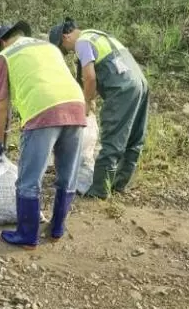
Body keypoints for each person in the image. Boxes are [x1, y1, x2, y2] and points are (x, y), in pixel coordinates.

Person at [0, 21, 87, 249]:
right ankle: (56, 229)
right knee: (67, 174)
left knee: (29, 179)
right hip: (75, 106)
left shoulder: (4, 57)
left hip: (42, 110)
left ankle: (27, 235)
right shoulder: (50, 48)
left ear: (3, 42)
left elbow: (1, 105)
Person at [49, 18, 149, 199]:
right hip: (140, 83)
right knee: (134, 138)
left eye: (65, 49)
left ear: (65, 37)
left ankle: (100, 190)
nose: (70, 52)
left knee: (112, 139)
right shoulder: (98, 35)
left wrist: (87, 102)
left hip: (122, 90)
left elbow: (90, 77)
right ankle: (118, 184)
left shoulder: (82, 43)